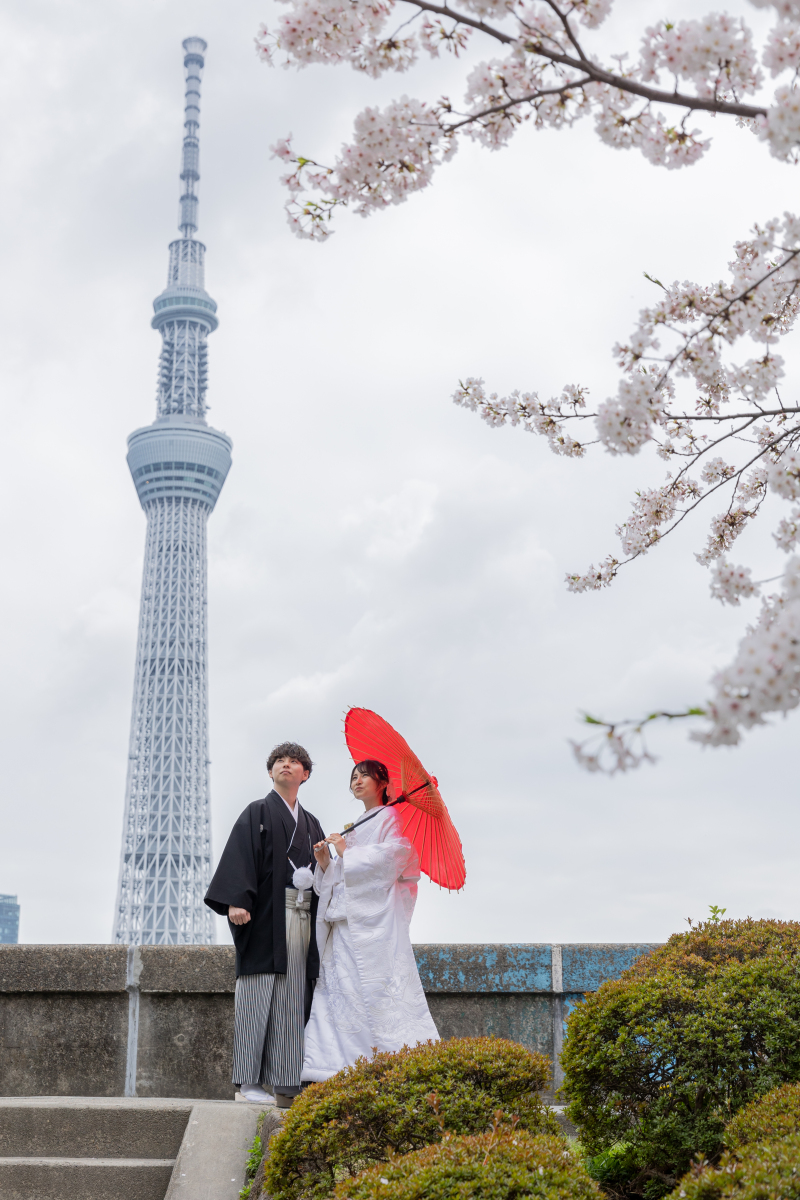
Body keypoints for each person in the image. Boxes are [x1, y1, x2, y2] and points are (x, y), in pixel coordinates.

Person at [301, 759, 439, 1083]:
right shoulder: (360, 822)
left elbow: (397, 856)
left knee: (367, 995)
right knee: (338, 994)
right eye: (354, 776)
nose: (357, 781)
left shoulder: (390, 817)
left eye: (365, 775)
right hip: (345, 922)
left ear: (383, 783)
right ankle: (331, 1069)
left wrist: (347, 852)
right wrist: (326, 862)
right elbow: (344, 874)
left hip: (368, 926)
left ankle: (371, 1066)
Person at [204, 742, 324, 1107]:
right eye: (279, 761)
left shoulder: (312, 824)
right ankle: (248, 1082)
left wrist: (327, 860)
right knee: (256, 997)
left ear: (305, 774)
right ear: (270, 771)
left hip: (301, 917)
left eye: (295, 762)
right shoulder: (257, 811)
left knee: (293, 1000)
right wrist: (236, 899)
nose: (286, 765)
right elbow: (241, 856)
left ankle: (287, 1083)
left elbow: (324, 876)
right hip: (266, 917)